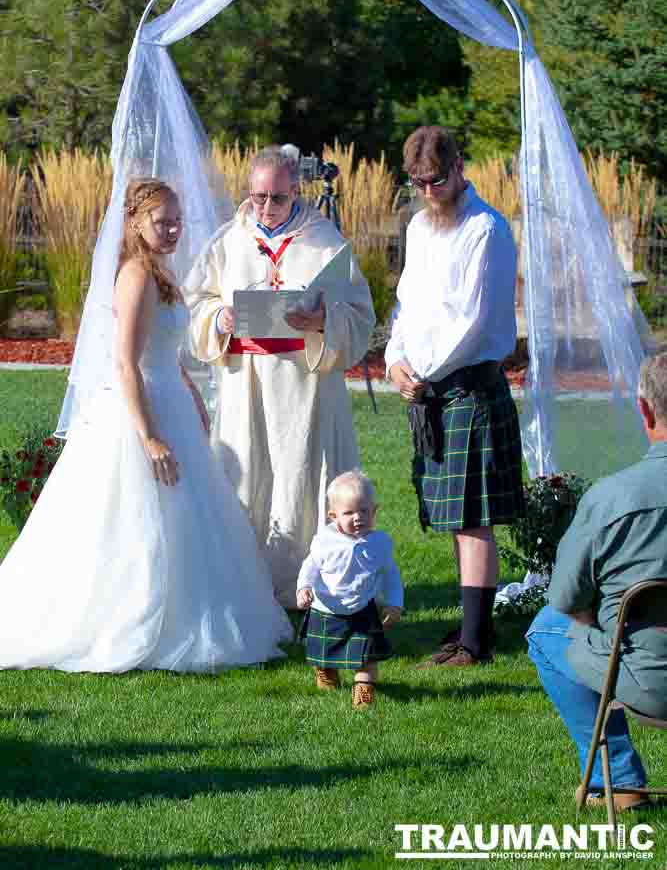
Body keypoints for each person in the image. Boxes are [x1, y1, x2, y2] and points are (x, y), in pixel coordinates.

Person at [0, 178, 292, 673]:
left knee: (187, 516)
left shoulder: (162, 272)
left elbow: (165, 350)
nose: (174, 228)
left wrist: (191, 394)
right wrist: (150, 435)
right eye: (163, 221)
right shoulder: (134, 275)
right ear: (135, 222)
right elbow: (125, 363)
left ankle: (188, 609)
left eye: (177, 219)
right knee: (137, 517)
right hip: (140, 410)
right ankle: (129, 618)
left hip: (171, 399)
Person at [184, 146, 375, 608]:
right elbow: (195, 302)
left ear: (295, 192)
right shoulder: (228, 240)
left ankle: (307, 588)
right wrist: (219, 318)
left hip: (303, 383)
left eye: (276, 197)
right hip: (243, 381)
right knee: (245, 476)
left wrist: (323, 322)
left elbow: (361, 316)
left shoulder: (325, 241)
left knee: (299, 477)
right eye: (256, 197)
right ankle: (243, 587)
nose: (265, 207)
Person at [385, 126, 524, 667]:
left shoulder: (486, 229)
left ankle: (476, 640)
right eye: (418, 182)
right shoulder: (421, 226)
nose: (427, 192)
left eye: (436, 181)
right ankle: (472, 625)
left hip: (468, 385)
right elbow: (407, 303)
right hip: (427, 386)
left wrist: (422, 373)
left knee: (472, 519)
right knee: (451, 515)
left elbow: (470, 320)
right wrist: (396, 359)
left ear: (459, 166)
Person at [526, 352, 667, 812]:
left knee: (545, 629)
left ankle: (620, 780)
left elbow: (566, 599)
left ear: (644, 411)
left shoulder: (611, 498)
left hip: (647, 679)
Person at [296, 469, 403, 708]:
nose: (357, 517)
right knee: (322, 650)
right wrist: (303, 587)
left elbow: (391, 575)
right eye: (349, 513)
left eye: (364, 511)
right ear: (333, 516)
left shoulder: (379, 544)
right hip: (326, 607)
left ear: (374, 511)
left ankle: (363, 690)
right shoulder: (326, 541)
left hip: (362, 609)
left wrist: (395, 602)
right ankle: (326, 671)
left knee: (366, 657)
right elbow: (310, 566)